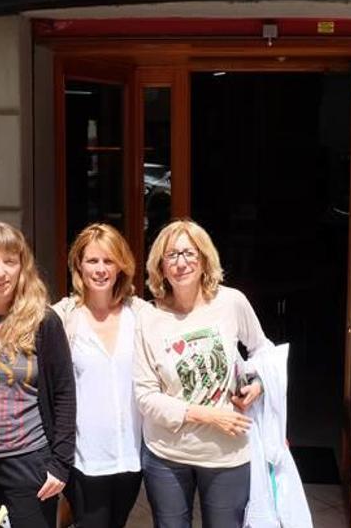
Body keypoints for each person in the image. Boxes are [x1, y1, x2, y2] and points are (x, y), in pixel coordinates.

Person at [134, 220, 275, 528]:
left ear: (204, 258)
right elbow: (146, 396)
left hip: (226, 453)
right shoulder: (148, 317)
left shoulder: (231, 302)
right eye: (171, 255)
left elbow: (263, 350)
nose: (180, 262)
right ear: (160, 265)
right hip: (166, 455)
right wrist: (208, 415)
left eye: (188, 252)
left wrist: (259, 383)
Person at [0, 222, 75, 528]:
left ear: (22, 267)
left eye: (9, 262)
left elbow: (65, 393)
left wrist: (60, 465)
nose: (0, 272)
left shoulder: (43, 320)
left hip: (30, 461)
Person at [52, 224, 146, 528]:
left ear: (121, 266)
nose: (101, 269)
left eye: (108, 260)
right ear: (79, 264)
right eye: (92, 260)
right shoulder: (64, 317)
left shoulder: (140, 315)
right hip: (84, 457)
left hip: (130, 457)